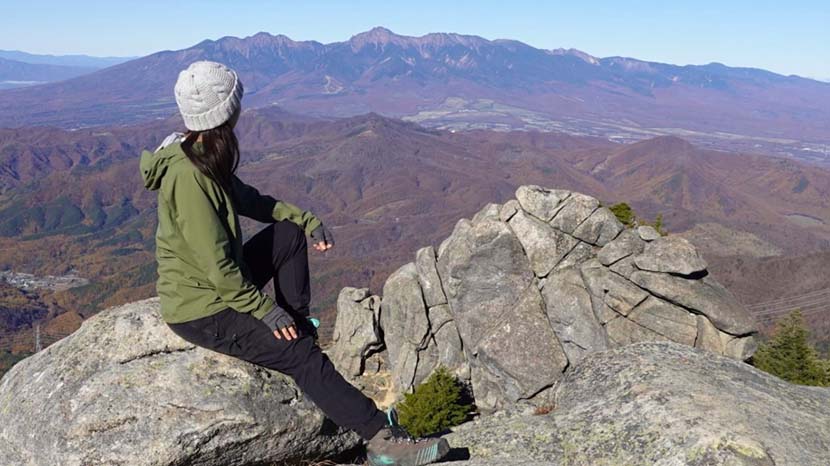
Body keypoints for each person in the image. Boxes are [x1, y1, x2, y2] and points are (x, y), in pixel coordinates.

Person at [139, 60, 449, 466]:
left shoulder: (202, 153)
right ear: (226, 112)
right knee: (302, 355)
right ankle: (381, 442)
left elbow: (251, 201)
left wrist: (305, 219)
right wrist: (266, 312)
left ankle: (296, 325)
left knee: (286, 233)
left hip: (219, 285)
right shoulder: (190, 178)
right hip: (204, 308)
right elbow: (218, 270)